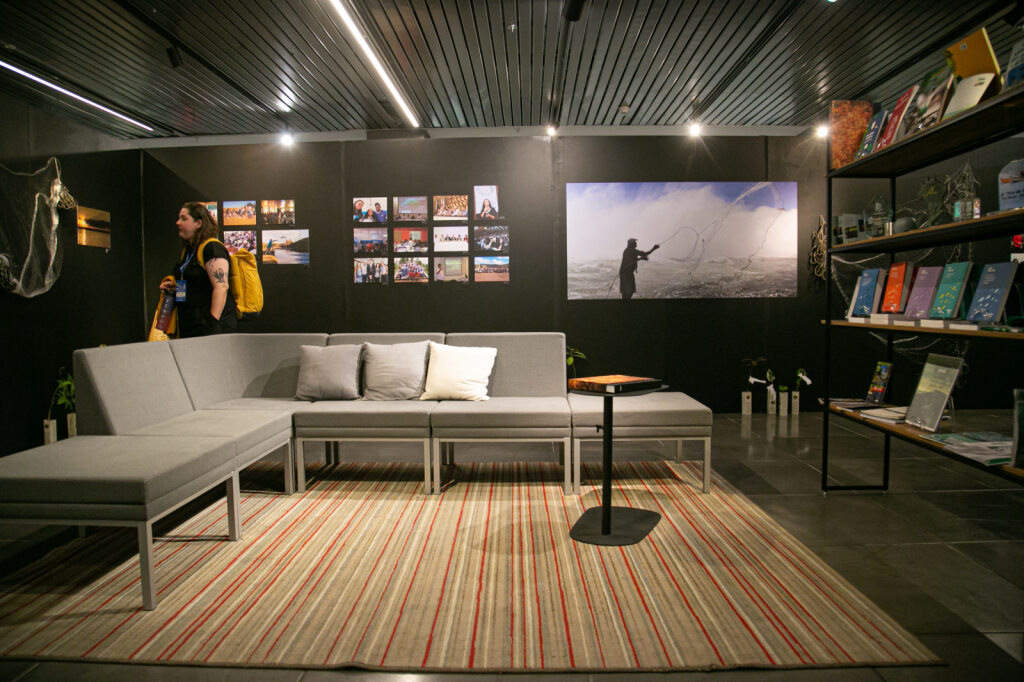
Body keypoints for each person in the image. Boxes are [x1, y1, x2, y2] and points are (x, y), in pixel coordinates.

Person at [160, 202, 237, 337]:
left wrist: (212, 325)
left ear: (199, 223)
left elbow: (221, 287)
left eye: (184, 219)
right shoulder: (189, 251)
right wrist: (174, 286)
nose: (178, 222)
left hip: (210, 329)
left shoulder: (211, 248)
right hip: (192, 326)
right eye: (179, 218)